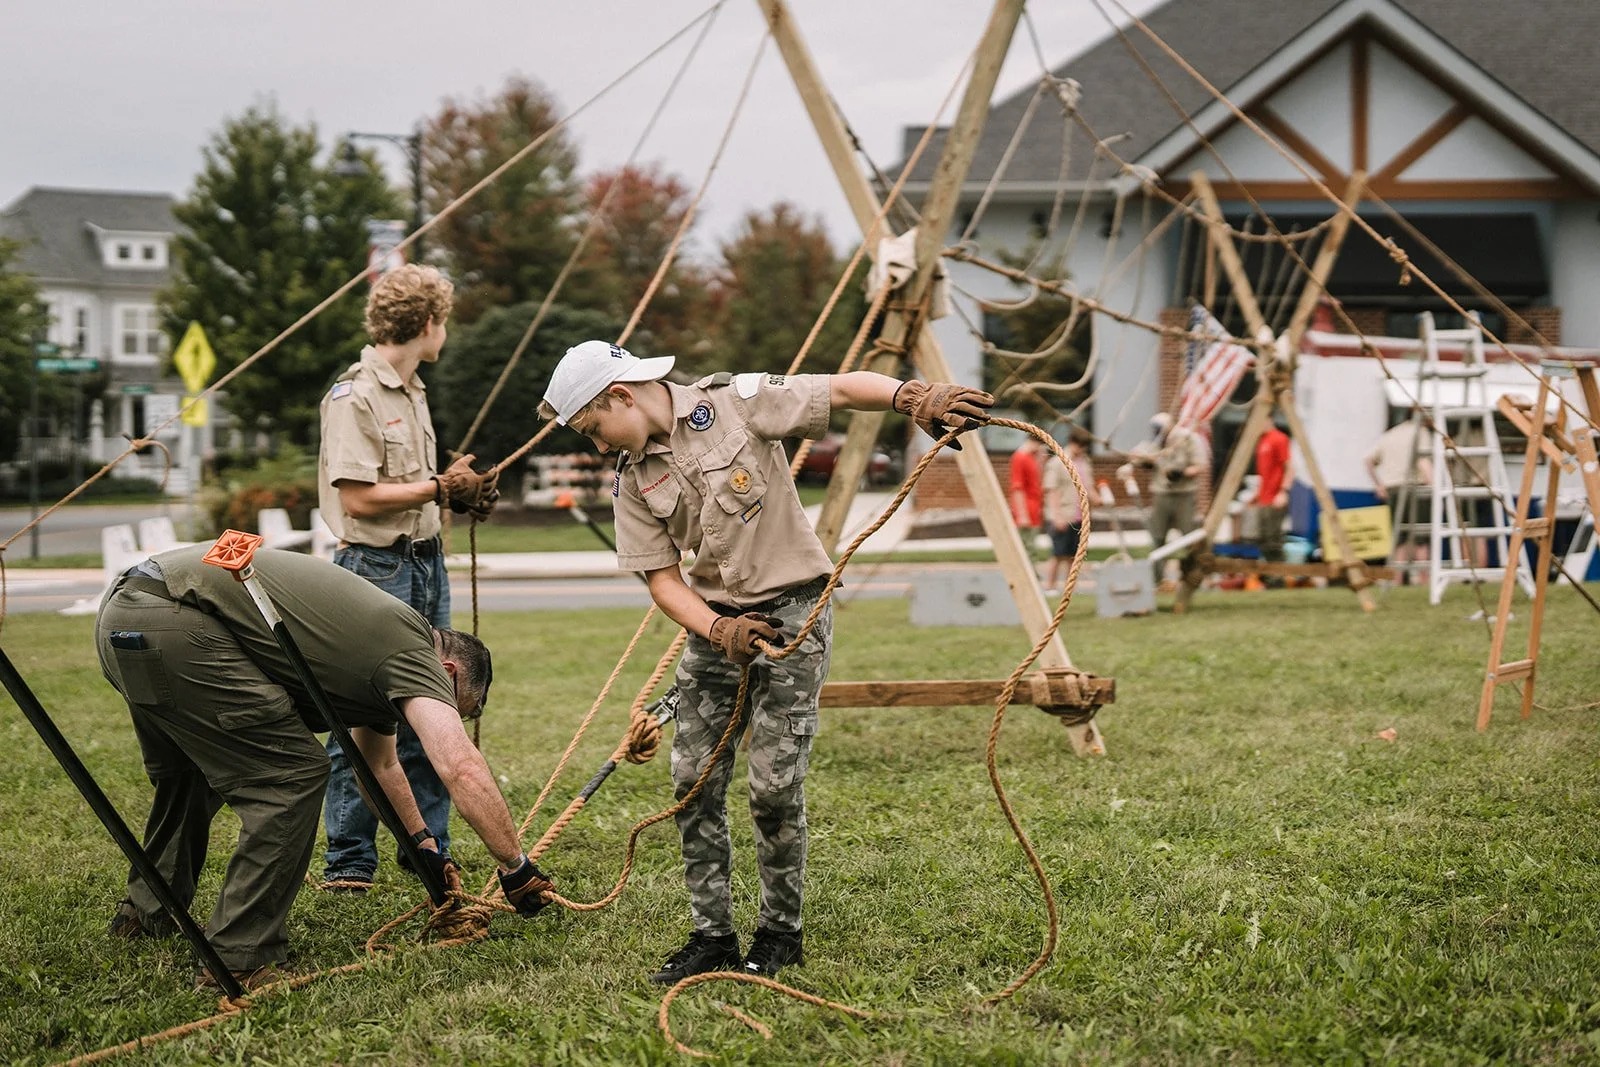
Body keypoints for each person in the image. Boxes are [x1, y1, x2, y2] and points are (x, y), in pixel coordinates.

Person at [538, 341, 991, 984]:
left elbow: (840, 389)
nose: (597, 443)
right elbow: (663, 581)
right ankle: (711, 937)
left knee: (774, 788)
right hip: (717, 629)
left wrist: (911, 396)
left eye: (594, 429)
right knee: (692, 781)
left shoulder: (736, 402)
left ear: (621, 395)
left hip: (794, 615)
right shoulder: (633, 479)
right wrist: (720, 629)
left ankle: (780, 934)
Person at [97, 546, 549, 989]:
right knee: (292, 777)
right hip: (177, 619)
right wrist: (515, 866)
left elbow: (378, 765)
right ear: (446, 672)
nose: (441, 713)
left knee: (192, 777)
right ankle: (239, 960)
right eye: (453, 706)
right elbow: (460, 767)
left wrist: (423, 846)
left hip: (126, 612)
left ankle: (147, 913)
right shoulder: (413, 651)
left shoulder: (382, 660)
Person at [316, 264, 497, 892]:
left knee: (432, 700)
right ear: (426, 322)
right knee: (361, 715)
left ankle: (428, 846)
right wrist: (440, 486)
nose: (445, 332)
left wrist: (458, 496)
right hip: (375, 568)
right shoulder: (355, 395)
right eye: (443, 321)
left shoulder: (413, 390)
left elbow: (413, 489)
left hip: (425, 560)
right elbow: (359, 498)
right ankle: (350, 860)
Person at [1131, 412, 1210, 582]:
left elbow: (1201, 465)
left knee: (1190, 536)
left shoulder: (1186, 438)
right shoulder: (1156, 441)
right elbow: (1137, 456)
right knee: (1157, 536)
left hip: (1184, 494)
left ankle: (1190, 576)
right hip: (1161, 494)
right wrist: (1144, 461)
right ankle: (1157, 579)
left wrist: (1182, 473)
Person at [1365, 420, 1433, 575]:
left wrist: (1378, 486)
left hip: (1392, 489)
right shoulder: (1421, 432)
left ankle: (1397, 579)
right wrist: (1434, 485)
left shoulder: (1389, 435)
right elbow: (1423, 461)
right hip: (1415, 488)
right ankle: (1423, 579)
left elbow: (1368, 460)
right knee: (1421, 538)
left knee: (1398, 539)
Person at [1041, 428, 1094, 594]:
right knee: (1058, 554)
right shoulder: (1057, 462)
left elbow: (1088, 486)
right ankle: (1050, 586)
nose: (1082, 449)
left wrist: (1098, 499)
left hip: (1078, 516)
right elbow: (1051, 490)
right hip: (1063, 514)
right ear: (1072, 442)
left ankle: (1069, 588)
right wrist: (1057, 516)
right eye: (1080, 445)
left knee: (1073, 555)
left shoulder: (1085, 462)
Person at [1252, 416, 1292, 563]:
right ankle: (1270, 572)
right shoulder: (1262, 440)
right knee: (1263, 538)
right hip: (1264, 496)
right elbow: (1264, 472)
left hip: (1275, 497)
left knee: (1273, 539)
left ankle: (1279, 572)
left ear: (1268, 419)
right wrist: (1257, 494)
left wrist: (1283, 492)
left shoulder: (1279, 439)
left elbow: (1290, 468)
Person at [1008, 436, 1044, 554]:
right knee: (1026, 548)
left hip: (1034, 509)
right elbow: (1017, 487)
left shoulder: (1031, 457)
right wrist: (1022, 514)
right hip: (1026, 509)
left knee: (1031, 546)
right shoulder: (1020, 457)